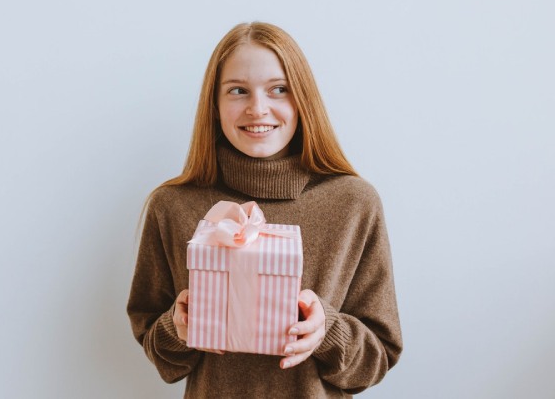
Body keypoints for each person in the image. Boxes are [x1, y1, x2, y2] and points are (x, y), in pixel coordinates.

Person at [126, 22, 403, 397]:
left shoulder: (353, 204)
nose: (258, 108)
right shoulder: (173, 206)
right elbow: (160, 356)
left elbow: (378, 358)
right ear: (215, 104)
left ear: (302, 98)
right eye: (238, 91)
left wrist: (327, 332)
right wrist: (177, 328)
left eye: (279, 89)